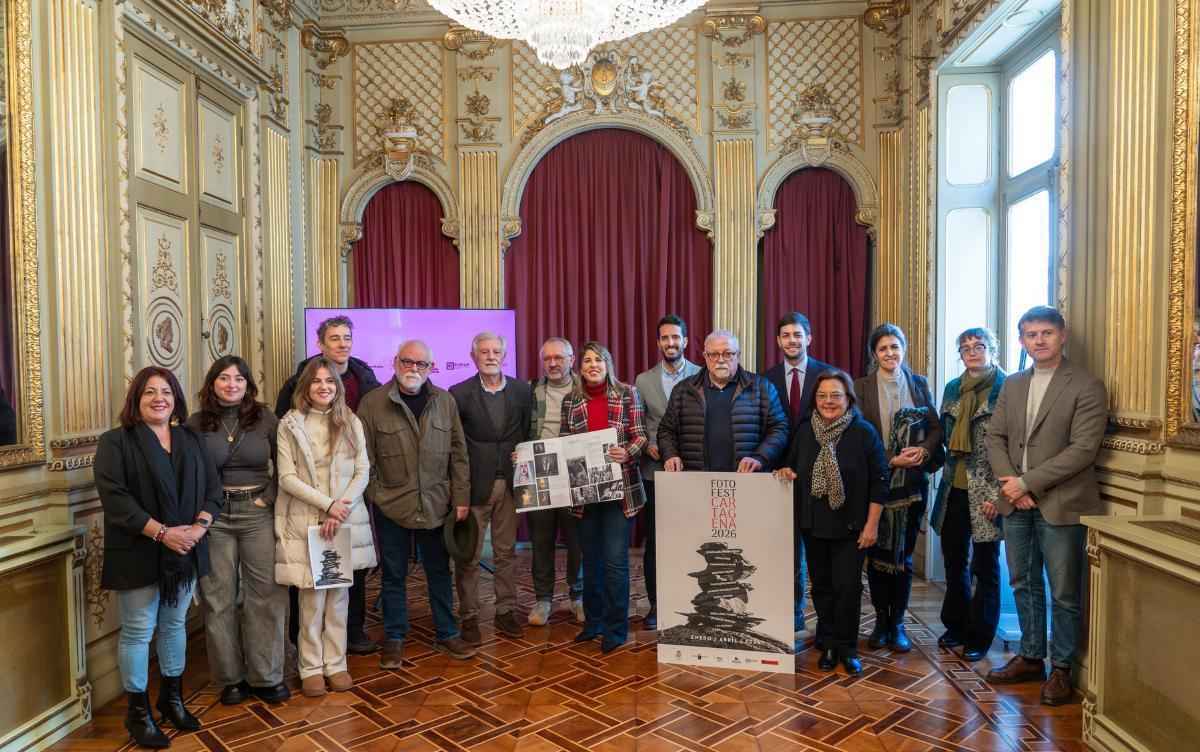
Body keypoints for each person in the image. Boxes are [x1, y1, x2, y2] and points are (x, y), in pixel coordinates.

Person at [94, 366, 222, 748]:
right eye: (149, 392)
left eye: (165, 391)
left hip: (185, 550)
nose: (158, 398)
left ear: (176, 398)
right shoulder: (116, 441)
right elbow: (116, 500)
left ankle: (171, 700)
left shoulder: (192, 438)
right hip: (138, 552)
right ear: (136, 400)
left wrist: (198, 528)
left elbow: (213, 489)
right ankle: (138, 713)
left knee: (174, 625)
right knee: (138, 632)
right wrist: (163, 533)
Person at [985, 306, 1106, 706]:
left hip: (1062, 503)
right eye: (1031, 335)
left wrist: (1026, 482)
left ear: (1062, 335)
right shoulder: (1013, 384)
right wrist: (1014, 488)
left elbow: (1083, 451)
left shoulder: (1087, 386)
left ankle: (1063, 669)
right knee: (1023, 582)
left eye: (1047, 333)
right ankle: (1031, 657)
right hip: (1016, 503)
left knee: (1065, 592)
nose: (1039, 340)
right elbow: (995, 439)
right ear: (1021, 341)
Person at [359, 340, 477, 668]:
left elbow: (459, 454)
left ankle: (447, 633)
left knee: (439, 571)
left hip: (438, 504)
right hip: (392, 505)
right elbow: (364, 459)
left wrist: (461, 499)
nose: (414, 369)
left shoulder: (446, 401)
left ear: (430, 368)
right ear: (395, 362)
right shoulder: (372, 403)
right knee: (393, 574)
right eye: (408, 362)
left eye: (421, 364)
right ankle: (395, 639)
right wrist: (377, 496)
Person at [277, 315, 382, 656]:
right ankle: (306, 650)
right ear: (320, 343)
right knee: (307, 584)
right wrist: (326, 506)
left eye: (346, 337)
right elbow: (286, 464)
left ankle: (349, 636)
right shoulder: (293, 400)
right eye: (334, 338)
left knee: (348, 578)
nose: (342, 343)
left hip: (348, 504)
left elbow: (363, 464)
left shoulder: (366, 381)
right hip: (309, 507)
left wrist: (342, 506)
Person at [188, 356, 289, 705]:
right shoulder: (196, 423)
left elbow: (287, 464)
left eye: (239, 379)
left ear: (248, 385)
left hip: (257, 512)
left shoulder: (265, 418)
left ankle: (266, 676)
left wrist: (270, 497)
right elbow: (190, 471)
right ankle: (230, 678)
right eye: (224, 378)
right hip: (214, 516)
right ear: (212, 383)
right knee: (218, 599)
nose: (232, 384)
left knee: (267, 595)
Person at [774, 370, 887, 676]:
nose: (828, 402)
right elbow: (793, 467)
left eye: (835, 395)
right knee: (822, 588)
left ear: (848, 398)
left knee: (847, 587)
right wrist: (786, 472)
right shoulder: (805, 432)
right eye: (822, 396)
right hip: (814, 525)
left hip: (852, 527)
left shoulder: (863, 432)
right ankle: (827, 643)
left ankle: (847, 647)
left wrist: (872, 524)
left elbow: (880, 480)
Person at [853, 324, 944, 653]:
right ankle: (879, 620)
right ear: (874, 354)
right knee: (877, 557)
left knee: (904, 558)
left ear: (903, 349)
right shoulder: (861, 387)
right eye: (883, 349)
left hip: (913, 487)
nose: (890, 353)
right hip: (876, 484)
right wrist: (891, 459)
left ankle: (898, 622)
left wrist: (924, 451)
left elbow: (935, 427)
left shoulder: (919, 385)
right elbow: (857, 434)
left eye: (895, 347)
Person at [560, 342, 648, 653]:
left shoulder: (628, 394)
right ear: (580, 367)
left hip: (620, 493)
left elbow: (640, 435)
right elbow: (563, 441)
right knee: (592, 560)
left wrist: (629, 452)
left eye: (599, 360)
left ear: (608, 364)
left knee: (615, 562)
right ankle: (593, 622)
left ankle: (615, 628)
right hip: (585, 494)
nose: (593, 365)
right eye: (587, 361)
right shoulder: (570, 401)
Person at [450, 332, 533, 644]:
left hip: (511, 484)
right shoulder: (458, 393)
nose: (490, 356)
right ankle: (469, 616)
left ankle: (505, 611)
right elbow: (455, 445)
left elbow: (527, 431)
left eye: (496, 351)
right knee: (468, 555)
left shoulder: (522, 391)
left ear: (504, 355)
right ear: (473, 357)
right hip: (474, 487)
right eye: (483, 351)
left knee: (506, 552)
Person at [930, 328, 1006, 662]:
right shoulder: (952, 388)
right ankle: (956, 625)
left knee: (985, 566)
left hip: (989, 492)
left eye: (979, 346)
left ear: (993, 350)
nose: (972, 352)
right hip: (953, 488)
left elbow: (1014, 447)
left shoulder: (1007, 388)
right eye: (965, 348)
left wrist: (1000, 494)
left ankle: (979, 634)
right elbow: (945, 437)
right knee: (954, 562)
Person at [762, 312, 834, 635]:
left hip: (819, 475)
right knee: (786, 551)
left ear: (809, 338)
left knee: (820, 555)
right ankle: (792, 614)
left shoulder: (828, 376)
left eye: (797, 334)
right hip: (779, 475)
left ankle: (826, 622)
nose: (792, 340)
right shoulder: (766, 378)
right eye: (785, 335)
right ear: (778, 341)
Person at [632, 314, 701, 630]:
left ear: (686, 341)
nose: (670, 343)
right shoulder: (643, 380)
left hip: (693, 472)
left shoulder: (702, 375)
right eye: (664, 338)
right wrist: (647, 446)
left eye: (676, 337)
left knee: (693, 540)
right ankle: (657, 605)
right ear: (658, 342)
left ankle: (692, 601)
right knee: (656, 543)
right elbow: (637, 423)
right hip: (654, 472)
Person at [657, 329, 789, 474]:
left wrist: (760, 458)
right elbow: (666, 431)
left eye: (727, 354)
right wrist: (671, 455)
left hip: (747, 480)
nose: (720, 360)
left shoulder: (763, 388)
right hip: (696, 482)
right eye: (714, 354)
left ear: (738, 356)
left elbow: (779, 428)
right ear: (705, 357)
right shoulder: (683, 390)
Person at [525, 337, 585, 626]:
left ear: (571, 359)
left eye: (558, 358)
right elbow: (520, 429)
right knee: (542, 540)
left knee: (578, 541)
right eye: (547, 358)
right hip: (540, 476)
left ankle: (578, 597)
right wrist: (518, 453)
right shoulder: (529, 391)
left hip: (576, 475)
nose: (552, 363)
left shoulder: (586, 389)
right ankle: (543, 600)